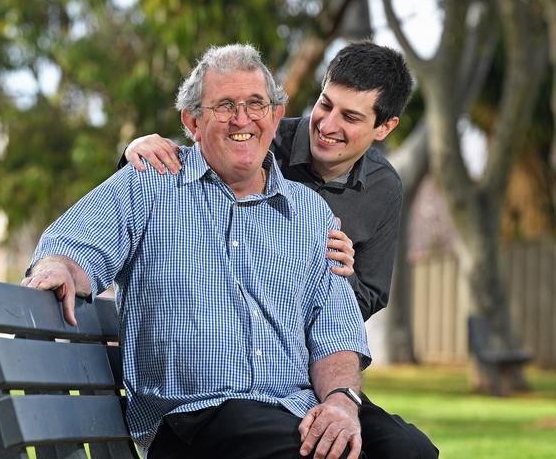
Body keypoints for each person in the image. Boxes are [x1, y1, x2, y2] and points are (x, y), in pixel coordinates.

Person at [23, 43, 371, 459]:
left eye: (256, 104)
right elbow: (73, 245)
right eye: (224, 106)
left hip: (289, 411)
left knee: (408, 449)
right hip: (191, 420)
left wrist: (339, 402)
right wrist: (58, 265)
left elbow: (336, 326)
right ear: (192, 121)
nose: (242, 119)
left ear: (276, 117)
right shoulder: (150, 184)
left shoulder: (311, 212)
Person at [119, 41, 439, 458]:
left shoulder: (382, 188)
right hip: (222, 391)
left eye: (351, 116)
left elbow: (371, 293)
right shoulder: (261, 138)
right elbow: (203, 137)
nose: (327, 124)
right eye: (325, 105)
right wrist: (133, 151)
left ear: (384, 128)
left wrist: (335, 279)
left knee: (408, 450)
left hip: (307, 372)